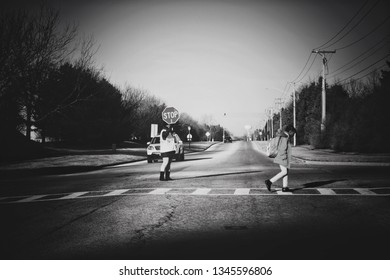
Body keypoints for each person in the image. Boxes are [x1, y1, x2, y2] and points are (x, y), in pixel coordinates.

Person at [265, 124, 297, 192]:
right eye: (293, 133)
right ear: (290, 131)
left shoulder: (283, 136)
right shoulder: (284, 137)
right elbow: (282, 149)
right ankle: (269, 181)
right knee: (284, 171)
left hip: (282, 157)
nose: (293, 135)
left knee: (286, 171)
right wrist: (284, 158)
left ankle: (285, 187)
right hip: (282, 157)